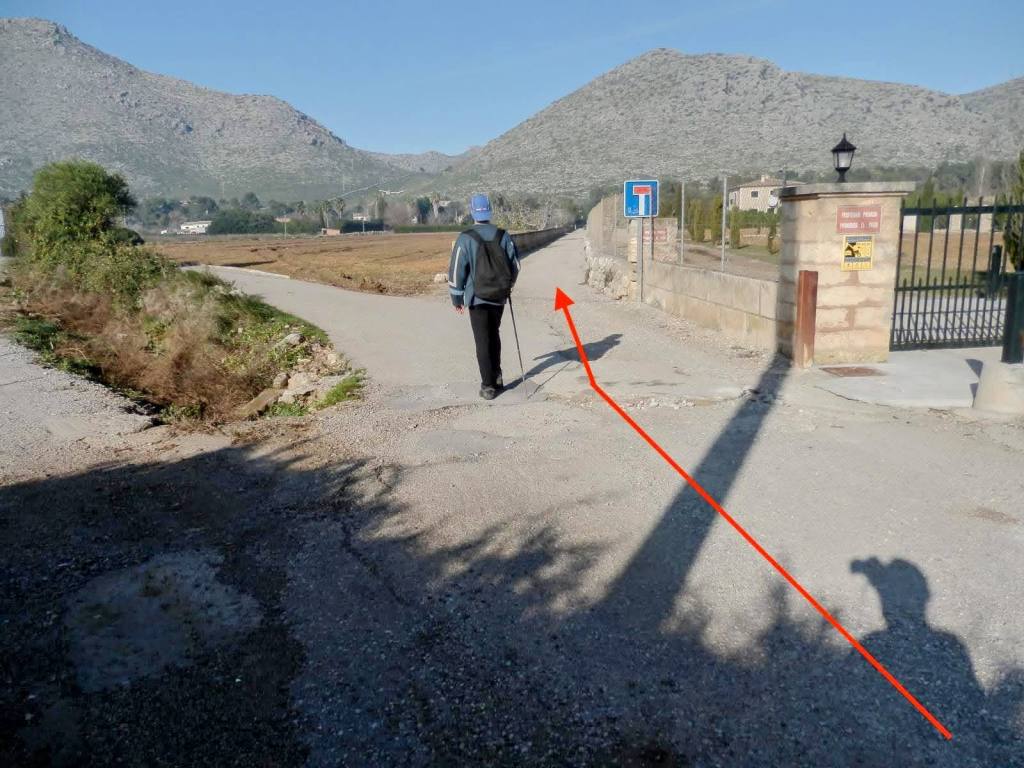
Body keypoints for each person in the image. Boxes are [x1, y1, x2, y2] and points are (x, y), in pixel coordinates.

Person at [447, 194, 520, 400]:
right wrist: (508, 286)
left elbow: (456, 271)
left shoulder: (465, 238)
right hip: (498, 297)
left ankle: (488, 386)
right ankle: (497, 378)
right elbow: (516, 266)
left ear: (472, 211)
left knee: (482, 340)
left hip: (476, 298)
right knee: (494, 334)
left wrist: (457, 297)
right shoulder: (503, 235)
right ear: (489, 211)